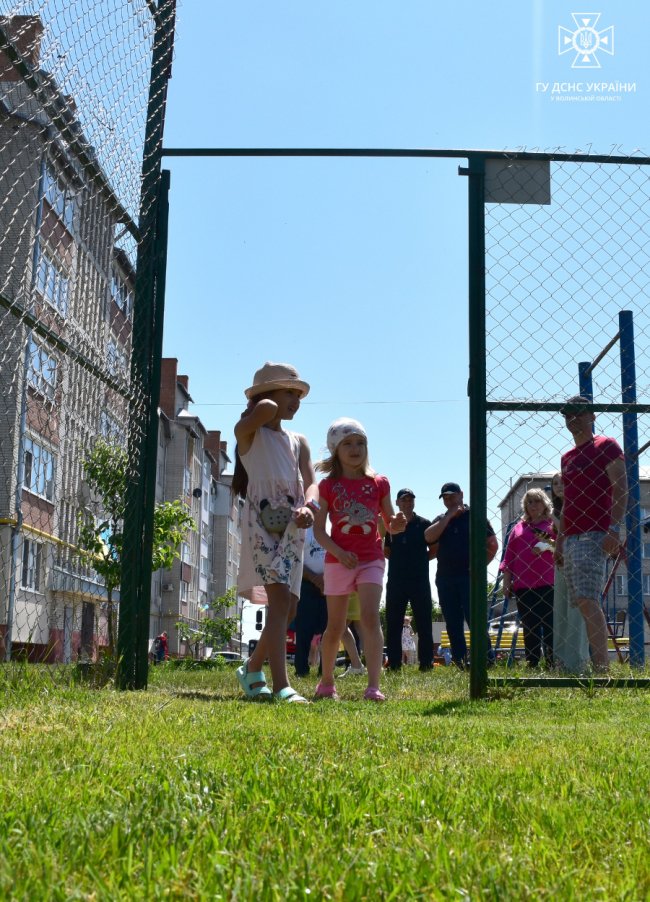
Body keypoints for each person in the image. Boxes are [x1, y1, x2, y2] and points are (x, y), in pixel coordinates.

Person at [232, 362, 319, 703]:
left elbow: (311, 483)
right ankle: (282, 685)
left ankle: (252, 669)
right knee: (279, 600)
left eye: (298, 394)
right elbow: (261, 412)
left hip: (294, 528)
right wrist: (262, 401)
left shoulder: (299, 441)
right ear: (267, 396)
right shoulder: (249, 433)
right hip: (262, 525)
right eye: (289, 392)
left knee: (291, 607)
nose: (295, 400)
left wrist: (309, 506)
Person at [313, 417, 406, 701]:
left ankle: (373, 686)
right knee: (336, 626)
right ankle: (327, 683)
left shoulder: (379, 483)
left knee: (369, 618)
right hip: (338, 560)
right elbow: (319, 531)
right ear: (335, 450)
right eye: (348, 444)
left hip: (371, 558)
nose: (355, 449)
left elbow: (390, 523)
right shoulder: (328, 486)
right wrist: (339, 553)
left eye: (360, 443)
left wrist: (397, 524)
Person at [554, 396, 627, 672]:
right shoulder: (567, 458)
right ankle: (590, 665)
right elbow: (568, 503)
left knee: (588, 600)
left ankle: (602, 670)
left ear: (592, 416)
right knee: (582, 604)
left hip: (595, 533)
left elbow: (621, 487)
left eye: (579, 414)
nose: (573, 419)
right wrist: (560, 542)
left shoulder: (606, 446)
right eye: (568, 415)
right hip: (571, 537)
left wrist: (613, 529)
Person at [424, 482, 498, 667]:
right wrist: (449, 516)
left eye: (452, 496)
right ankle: (460, 661)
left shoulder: (476, 516)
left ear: (461, 495)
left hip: (470, 578)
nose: (449, 500)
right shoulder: (441, 518)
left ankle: (486, 660)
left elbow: (492, 544)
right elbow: (428, 537)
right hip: (445, 578)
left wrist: (480, 567)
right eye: (446, 498)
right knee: (452, 622)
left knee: (476, 620)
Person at [499, 489, 555, 668]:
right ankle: (532, 662)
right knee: (529, 625)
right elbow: (509, 557)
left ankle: (552, 662)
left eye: (537, 501)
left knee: (549, 623)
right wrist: (507, 582)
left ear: (545, 503)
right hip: (523, 584)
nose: (533, 505)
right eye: (529, 502)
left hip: (548, 581)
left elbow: (561, 546)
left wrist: (547, 544)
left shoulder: (552, 525)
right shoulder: (518, 528)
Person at [384, 488, 436, 671]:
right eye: (403, 500)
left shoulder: (424, 524)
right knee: (393, 622)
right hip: (396, 580)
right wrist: (401, 562)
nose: (407, 503)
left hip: (419, 580)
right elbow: (386, 551)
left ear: (414, 502)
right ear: (397, 503)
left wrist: (419, 561)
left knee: (424, 622)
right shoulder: (391, 525)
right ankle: (394, 664)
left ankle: (426, 662)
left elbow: (434, 549)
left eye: (410, 500)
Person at [550, 472, 590, 673]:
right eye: (555, 483)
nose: (558, 486)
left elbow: (566, 530)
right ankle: (562, 662)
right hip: (560, 562)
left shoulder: (578, 505)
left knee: (576, 612)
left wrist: (552, 518)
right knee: (561, 611)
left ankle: (578, 663)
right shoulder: (556, 510)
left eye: (563, 482)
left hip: (578, 560)